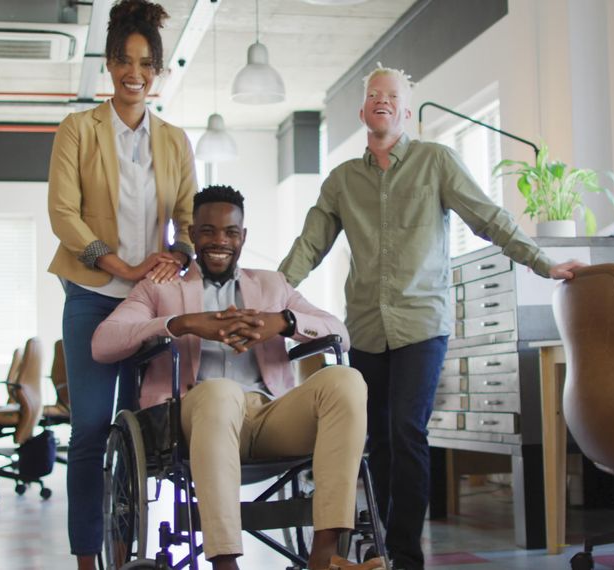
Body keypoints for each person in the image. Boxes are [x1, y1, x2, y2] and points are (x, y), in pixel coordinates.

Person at [278, 65, 584, 570]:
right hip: (367, 328)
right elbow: (309, 245)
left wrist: (542, 261)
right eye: (373, 94)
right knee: (375, 439)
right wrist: (270, 295)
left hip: (421, 323)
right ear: (362, 112)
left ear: (405, 111)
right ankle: (377, 545)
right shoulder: (341, 181)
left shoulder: (435, 161)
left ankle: (404, 555)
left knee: (406, 430)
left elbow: (488, 217)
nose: (381, 100)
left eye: (391, 95)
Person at [92, 186, 384, 570]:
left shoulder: (271, 286)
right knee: (221, 392)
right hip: (196, 417)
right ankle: (225, 563)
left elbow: (339, 332)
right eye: (209, 231)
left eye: (230, 233)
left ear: (242, 237)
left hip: (269, 416)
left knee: (347, 380)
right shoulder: (160, 288)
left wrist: (283, 322)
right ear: (192, 234)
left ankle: (325, 557)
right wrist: (181, 324)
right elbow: (102, 344)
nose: (220, 242)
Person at [46, 1, 197, 567]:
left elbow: (187, 216)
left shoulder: (175, 140)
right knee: (89, 431)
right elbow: (64, 213)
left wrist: (177, 255)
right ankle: (88, 557)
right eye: (125, 61)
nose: (135, 73)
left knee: (143, 434)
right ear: (109, 65)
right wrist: (120, 265)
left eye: (146, 64)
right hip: (90, 295)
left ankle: (128, 548)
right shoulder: (78, 129)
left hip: (147, 305)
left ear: (157, 71)